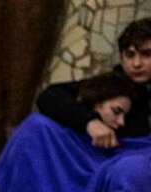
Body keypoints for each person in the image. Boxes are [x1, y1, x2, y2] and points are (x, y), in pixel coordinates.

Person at [37, 18, 151, 147]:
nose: (136, 64)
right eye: (130, 55)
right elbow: (50, 96)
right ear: (121, 57)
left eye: (146, 54)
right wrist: (90, 122)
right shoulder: (112, 84)